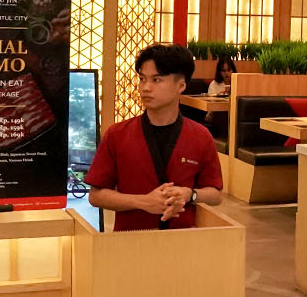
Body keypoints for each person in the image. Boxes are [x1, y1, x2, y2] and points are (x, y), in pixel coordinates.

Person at [85, 43, 225, 231]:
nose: (146, 88)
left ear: (181, 85)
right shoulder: (117, 134)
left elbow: (215, 194)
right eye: (142, 79)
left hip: (183, 240)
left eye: (156, 80)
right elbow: (96, 195)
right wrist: (142, 202)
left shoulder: (200, 136)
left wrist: (189, 194)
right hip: (130, 239)